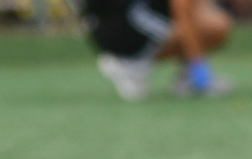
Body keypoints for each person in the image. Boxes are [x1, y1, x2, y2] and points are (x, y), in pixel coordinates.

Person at [82, 0, 235, 99]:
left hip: (102, 29)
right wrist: (198, 64)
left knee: (203, 17)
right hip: (122, 28)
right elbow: (184, 14)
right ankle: (128, 64)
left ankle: (186, 75)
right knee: (213, 26)